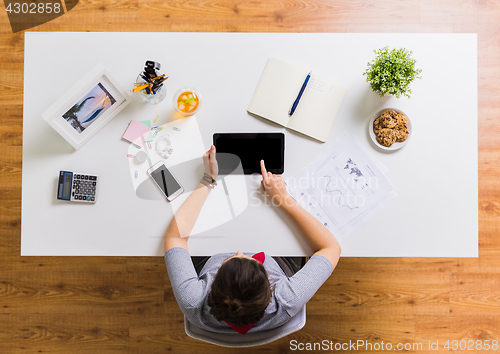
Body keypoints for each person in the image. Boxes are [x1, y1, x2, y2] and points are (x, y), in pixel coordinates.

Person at [164, 146, 341, 334]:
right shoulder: (287, 299)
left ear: (212, 287)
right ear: (270, 287)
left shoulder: (193, 300)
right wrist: (283, 198)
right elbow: (330, 248)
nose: (239, 251)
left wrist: (208, 179)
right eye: (248, 259)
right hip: (281, 261)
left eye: (230, 260)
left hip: (208, 257)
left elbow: (175, 236)